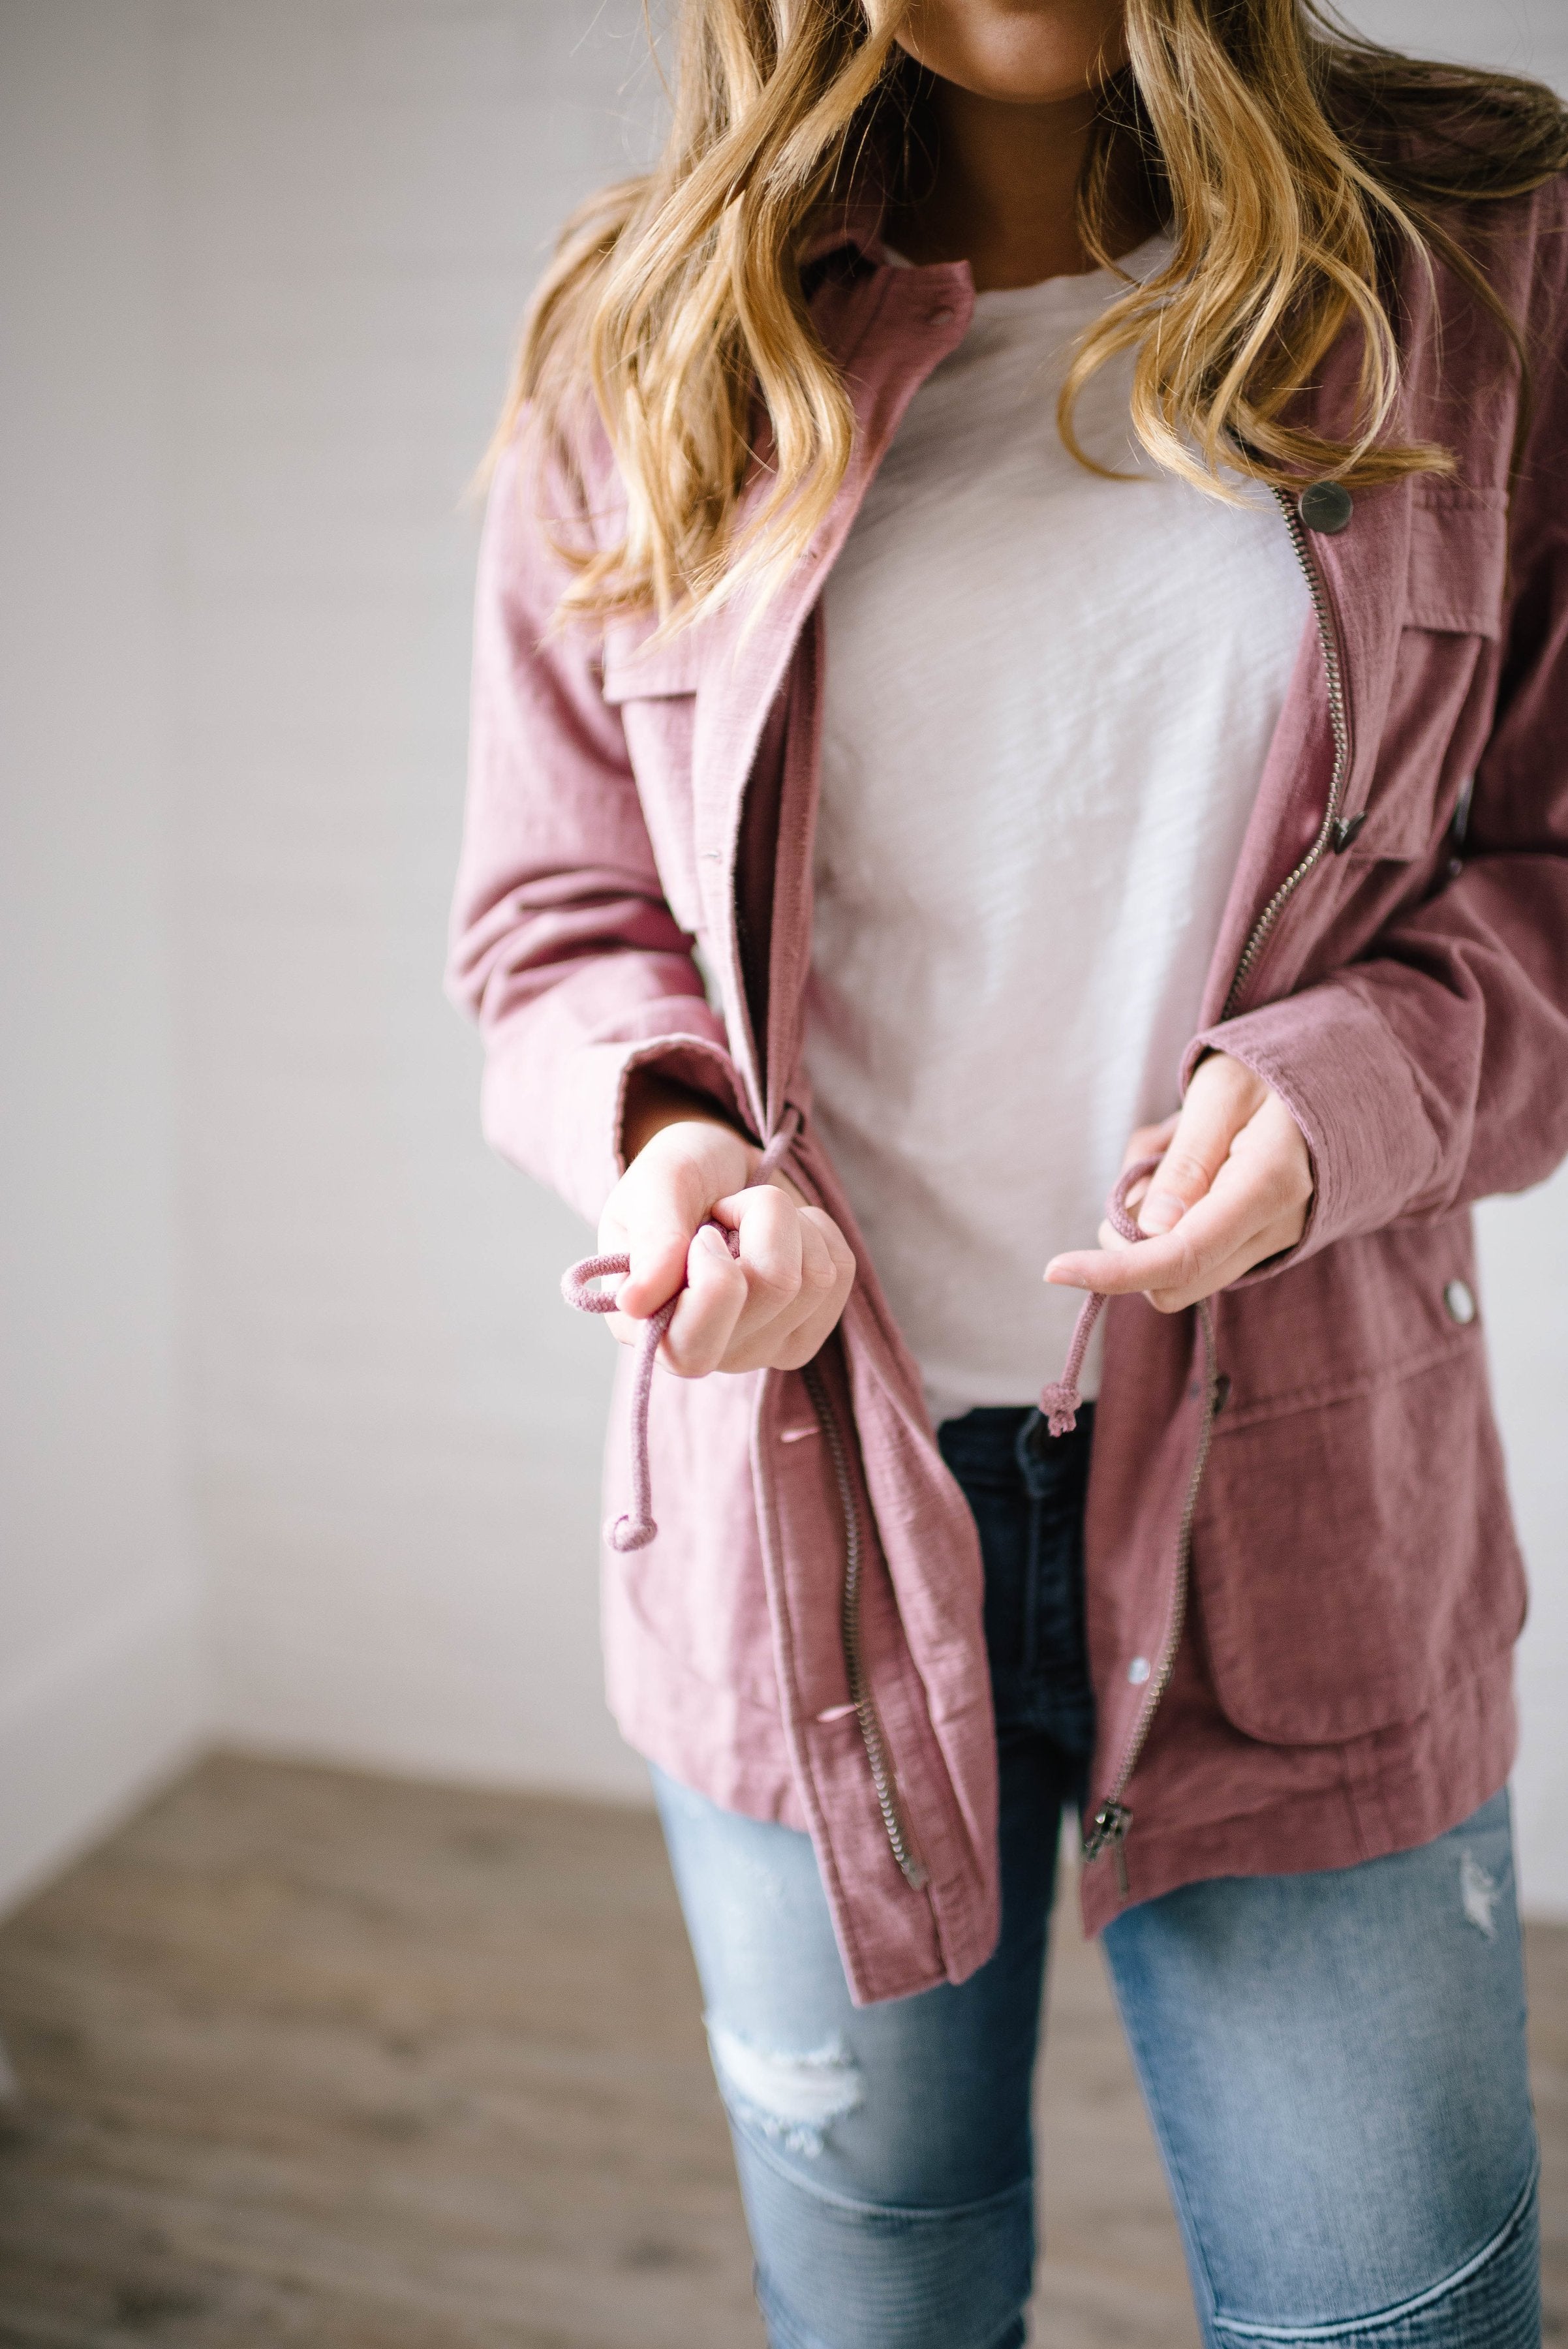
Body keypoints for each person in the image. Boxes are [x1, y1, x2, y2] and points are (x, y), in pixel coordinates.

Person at [448, 3, 1568, 2341]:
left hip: (1309, 1513)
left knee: (1390, 2313)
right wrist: (667, 1151)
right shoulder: (650, 324)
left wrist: (1344, 1085)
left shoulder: (1489, 255)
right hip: (797, 1514)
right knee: (881, 2302)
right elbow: (556, 921)